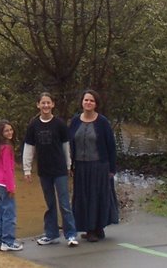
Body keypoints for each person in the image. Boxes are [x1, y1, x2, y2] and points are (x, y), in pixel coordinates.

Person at [23, 92, 79, 247]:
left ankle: (71, 234)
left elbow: (66, 146)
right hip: (44, 170)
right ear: (38, 105)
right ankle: (51, 234)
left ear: (53, 104)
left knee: (64, 203)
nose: (46, 106)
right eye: (43, 103)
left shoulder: (60, 124)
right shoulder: (33, 125)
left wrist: (69, 166)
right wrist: (27, 170)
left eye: (48, 103)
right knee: (50, 204)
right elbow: (29, 148)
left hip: (60, 170)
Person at [68, 89, 120, 242]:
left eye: (91, 100)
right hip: (80, 166)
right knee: (83, 197)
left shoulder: (102, 122)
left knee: (97, 197)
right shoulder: (75, 121)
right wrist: (70, 165)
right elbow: (69, 143)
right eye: (86, 100)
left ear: (96, 104)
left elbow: (111, 146)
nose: (88, 103)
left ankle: (96, 229)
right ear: (82, 102)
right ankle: (89, 227)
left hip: (99, 165)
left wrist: (112, 169)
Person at [0, 119, 23, 252]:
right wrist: (11, 187)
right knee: (9, 213)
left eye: (10, 129)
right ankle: (8, 241)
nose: (9, 132)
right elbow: (7, 169)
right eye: (6, 130)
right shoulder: (7, 147)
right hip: (4, 183)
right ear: (0, 133)